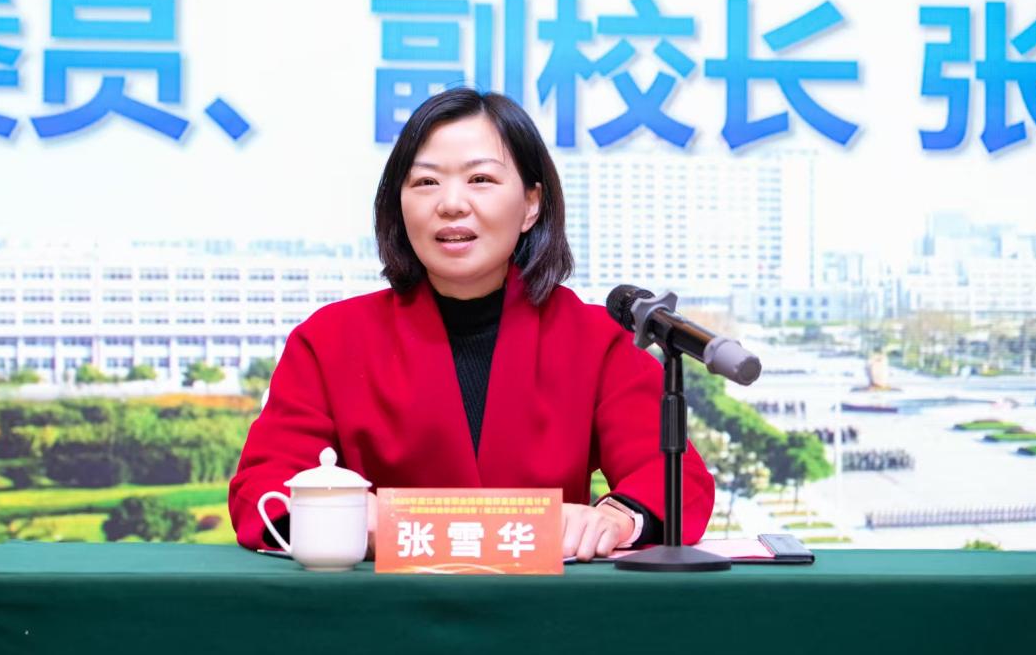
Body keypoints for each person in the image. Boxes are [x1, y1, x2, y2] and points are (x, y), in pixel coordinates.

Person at [228, 88, 715, 561]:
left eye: (480, 179)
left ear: (531, 204)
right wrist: (338, 517)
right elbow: (262, 485)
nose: (451, 203)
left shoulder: (595, 339)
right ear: (399, 204)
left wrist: (617, 518)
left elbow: (674, 478)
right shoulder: (332, 338)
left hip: (546, 606)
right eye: (426, 182)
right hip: (382, 606)